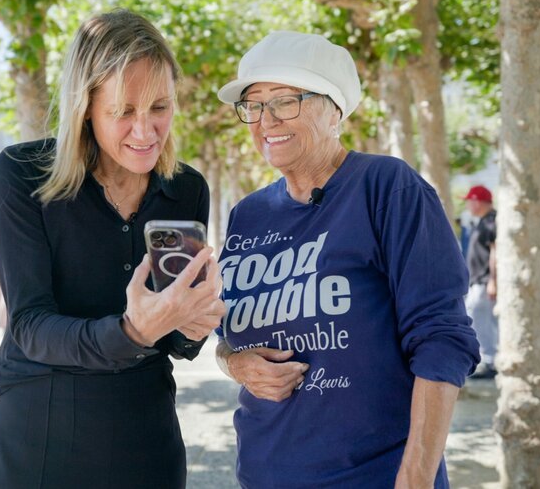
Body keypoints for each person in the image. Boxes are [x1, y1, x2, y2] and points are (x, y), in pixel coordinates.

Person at [213, 31, 480, 488]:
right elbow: (228, 336)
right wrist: (233, 364)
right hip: (263, 472)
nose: (265, 120)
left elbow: (443, 338)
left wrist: (415, 478)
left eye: (285, 100)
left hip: (376, 475)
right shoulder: (249, 214)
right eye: (253, 105)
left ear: (334, 109)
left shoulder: (387, 188)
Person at [0, 9, 226, 489]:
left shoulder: (186, 188)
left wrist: (193, 323)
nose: (145, 130)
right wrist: (131, 330)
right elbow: (29, 325)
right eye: (123, 111)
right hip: (37, 437)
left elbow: (176, 342)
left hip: (145, 437)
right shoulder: (23, 175)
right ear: (84, 106)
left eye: (160, 107)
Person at [463, 185, 498, 379]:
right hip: (480, 281)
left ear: (477, 201)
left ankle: (489, 361)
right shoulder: (485, 221)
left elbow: (495, 252)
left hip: (484, 282)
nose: (468, 204)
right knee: (481, 320)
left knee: (481, 321)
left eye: (469, 200)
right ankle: (488, 359)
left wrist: (493, 280)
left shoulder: (491, 222)